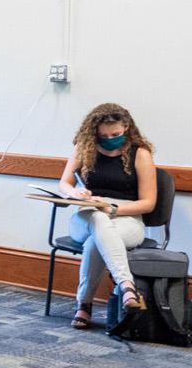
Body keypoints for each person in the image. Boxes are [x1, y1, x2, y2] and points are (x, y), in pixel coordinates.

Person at [56, 102, 155, 329]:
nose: (110, 138)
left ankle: (84, 304)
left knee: (97, 240)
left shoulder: (140, 154)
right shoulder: (85, 148)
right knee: (98, 221)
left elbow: (148, 203)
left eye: (116, 134)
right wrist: (75, 192)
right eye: (104, 135)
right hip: (88, 215)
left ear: (127, 127)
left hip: (127, 218)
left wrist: (113, 208)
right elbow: (64, 182)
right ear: (94, 133)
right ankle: (126, 285)